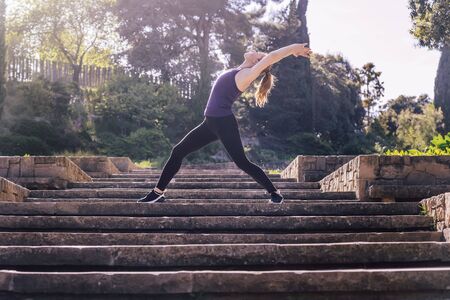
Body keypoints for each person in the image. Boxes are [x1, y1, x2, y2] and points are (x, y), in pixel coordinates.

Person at [137, 43, 312, 204]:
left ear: (257, 63)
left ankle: (274, 192)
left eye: (259, 55)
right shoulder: (239, 70)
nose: (255, 51)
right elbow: (267, 58)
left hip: (223, 123)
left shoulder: (246, 75)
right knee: (178, 151)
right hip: (210, 123)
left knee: (242, 162)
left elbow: (272, 56)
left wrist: (293, 49)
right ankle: (157, 192)